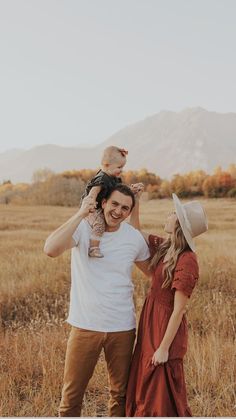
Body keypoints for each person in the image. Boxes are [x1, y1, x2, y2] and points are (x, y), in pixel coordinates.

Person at [44, 183, 150, 417]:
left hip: (122, 327)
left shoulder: (133, 238)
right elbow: (50, 249)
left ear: (130, 211)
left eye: (125, 207)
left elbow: (153, 273)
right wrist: (82, 213)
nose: (118, 211)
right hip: (85, 326)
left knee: (120, 395)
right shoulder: (84, 229)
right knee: (71, 397)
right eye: (114, 204)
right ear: (103, 203)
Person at [126, 192, 208, 417]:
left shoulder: (187, 259)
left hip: (165, 326)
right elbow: (134, 233)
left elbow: (179, 308)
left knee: (159, 383)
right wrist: (135, 201)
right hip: (151, 320)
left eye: (173, 213)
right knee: (146, 378)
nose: (169, 215)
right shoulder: (166, 247)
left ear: (180, 224)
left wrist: (163, 348)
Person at [81, 145, 128, 258]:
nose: (121, 170)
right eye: (119, 167)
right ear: (107, 165)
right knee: (100, 224)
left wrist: (130, 189)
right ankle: (93, 248)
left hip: (102, 206)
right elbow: (94, 191)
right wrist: (90, 200)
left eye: (123, 167)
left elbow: (119, 191)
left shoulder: (113, 178)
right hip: (92, 209)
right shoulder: (102, 178)